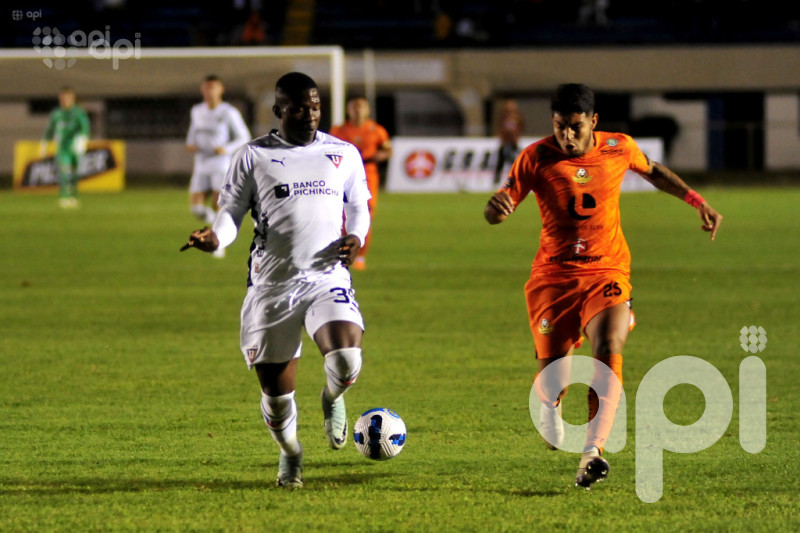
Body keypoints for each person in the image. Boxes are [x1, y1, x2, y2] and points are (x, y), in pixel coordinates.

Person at [484, 83, 722, 490]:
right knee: (552, 374)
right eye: (560, 127)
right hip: (553, 279)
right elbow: (502, 202)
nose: (567, 136)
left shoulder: (618, 147)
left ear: (593, 121)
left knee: (609, 347)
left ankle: (592, 452)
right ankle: (549, 404)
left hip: (607, 270)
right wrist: (495, 211)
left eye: (575, 127)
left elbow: (654, 171)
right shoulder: (536, 156)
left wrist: (696, 201)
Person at [181, 72, 371, 490]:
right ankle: (291, 453)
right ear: (279, 110)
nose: (310, 114)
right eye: (301, 107)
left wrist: (357, 236)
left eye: (316, 106)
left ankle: (331, 399)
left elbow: (358, 205)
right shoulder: (253, 156)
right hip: (272, 287)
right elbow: (230, 214)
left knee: (346, 360)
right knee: (278, 399)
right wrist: (215, 238)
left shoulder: (343, 152)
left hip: (326, 276)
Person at [185, 75, 251, 257]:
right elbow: (193, 131)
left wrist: (226, 149)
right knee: (197, 208)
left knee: (218, 205)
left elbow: (244, 137)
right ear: (202, 90)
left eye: (213, 87)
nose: (209, 91)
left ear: (220, 90)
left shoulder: (228, 112)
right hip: (201, 164)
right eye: (206, 88)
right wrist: (190, 143)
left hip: (220, 165)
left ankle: (218, 244)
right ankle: (212, 228)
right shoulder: (197, 110)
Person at [329, 96, 392, 270]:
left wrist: (377, 156)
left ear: (368, 110)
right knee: (341, 215)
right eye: (354, 107)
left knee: (365, 213)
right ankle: (342, 250)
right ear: (348, 110)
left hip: (368, 174)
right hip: (344, 175)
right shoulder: (338, 130)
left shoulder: (375, 130)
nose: (357, 110)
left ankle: (360, 256)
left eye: (361, 107)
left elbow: (387, 150)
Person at [41, 86, 91, 209]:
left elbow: (85, 127)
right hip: (63, 147)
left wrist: (82, 140)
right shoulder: (56, 114)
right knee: (63, 172)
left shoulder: (78, 112)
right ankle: (64, 198)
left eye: (67, 98)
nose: (65, 100)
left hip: (75, 147)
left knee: (75, 173)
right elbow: (49, 130)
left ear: (72, 98)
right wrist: (44, 144)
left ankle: (73, 197)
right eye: (63, 98)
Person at [494, 98, 525, 186]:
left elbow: (521, 127)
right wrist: (501, 138)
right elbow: (499, 127)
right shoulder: (504, 116)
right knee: (501, 160)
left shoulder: (517, 116)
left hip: (513, 142)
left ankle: (515, 178)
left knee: (513, 161)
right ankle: (497, 180)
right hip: (505, 142)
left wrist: (517, 137)